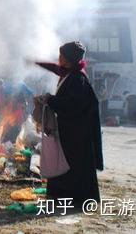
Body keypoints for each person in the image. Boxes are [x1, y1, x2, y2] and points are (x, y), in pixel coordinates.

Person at [34, 41, 103, 209]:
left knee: (72, 165)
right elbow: (55, 68)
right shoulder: (70, 73)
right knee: (66, 163)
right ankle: (62, 195)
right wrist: (36, 62)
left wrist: (50, 99)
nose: (59, 59)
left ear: (69, 59)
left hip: (77, 132)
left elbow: (70, 105)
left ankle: (74, 198)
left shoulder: (77, 78)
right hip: (71, 130)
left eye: (62, 56)